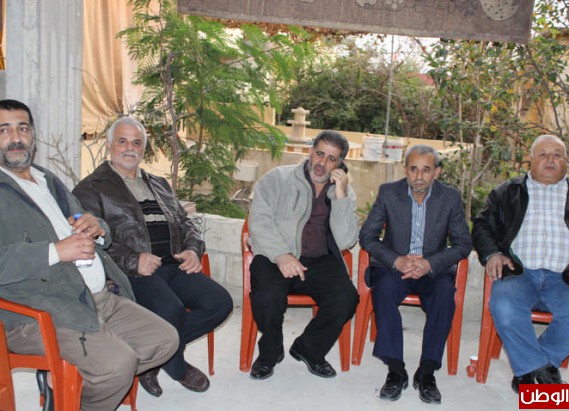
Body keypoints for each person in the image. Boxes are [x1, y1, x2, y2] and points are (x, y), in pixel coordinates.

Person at [0, 99, 179, 411]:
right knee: (117, 365)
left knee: (165, 340)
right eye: (4, 130)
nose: (16, 137)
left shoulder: (47, 180)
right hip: (41, 309)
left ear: (33, 136)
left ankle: (68, 387)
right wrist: (55, 251)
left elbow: (92, 225)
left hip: (95, 297)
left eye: (23, 128)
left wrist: (99, 227)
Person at [73, 117, 233, 397]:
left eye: (137, 142)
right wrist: (134, 260)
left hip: (172, 264)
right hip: (129, 273)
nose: (130, 148)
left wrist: (192, 249)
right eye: (122, 141)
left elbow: (185, 223)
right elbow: (90, 242)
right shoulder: (91, 189)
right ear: (109, 146)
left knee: (220, 303)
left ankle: (156, 354)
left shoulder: (158, 184)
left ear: (143, 149)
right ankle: (178, 367)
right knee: (170, 310)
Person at [472, 134, 569, 393]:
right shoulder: (507, 192)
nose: (550, 160)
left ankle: (528, 370)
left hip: (567, 276)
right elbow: (482, 225)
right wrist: (492, 253)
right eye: (543, 154)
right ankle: (543, 370)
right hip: (519, 272)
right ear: (530, 160)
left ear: (566, 161)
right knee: (504, 306)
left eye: (557, 155)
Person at [359, 145, 472, 404]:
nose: (419, 176)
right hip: (395, 268)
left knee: (445, 294)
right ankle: (396, 370)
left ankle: (427, 372)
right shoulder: (389, 193)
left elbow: (463, 243)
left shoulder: (450, 197)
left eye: (426, 170)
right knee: (384, 289)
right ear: (405, 170)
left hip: (431, 270)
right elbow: (367, 236)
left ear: (437, 172)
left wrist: (430, 264)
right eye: (413, 169)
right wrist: (396, 260)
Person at [247, 130, 359, 380]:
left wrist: (341, 196)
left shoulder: (343, 192)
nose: (322, 163)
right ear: (310, 151)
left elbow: (346, 241)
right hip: (276, 256)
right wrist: (282, 254)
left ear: (339, 164)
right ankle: (270, 353)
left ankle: (309, 349)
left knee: (346, 298)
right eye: (319, 154)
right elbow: (259, 221)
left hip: (319, 261)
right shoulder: (278, 178)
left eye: (331, 159)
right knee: (267, 297)